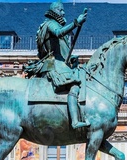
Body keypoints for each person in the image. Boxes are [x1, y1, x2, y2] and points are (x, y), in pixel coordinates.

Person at [36, 1, 89, 129]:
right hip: (54, 64)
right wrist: (76, 22)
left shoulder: (52, 24)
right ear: (54, 11)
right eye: (61, 10)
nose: (63, 12)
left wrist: (70, 58)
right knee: (75, 86)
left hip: (60, 63)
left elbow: (61, 49)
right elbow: (59, 32)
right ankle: (75, 121)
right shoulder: (50, 24)